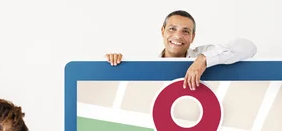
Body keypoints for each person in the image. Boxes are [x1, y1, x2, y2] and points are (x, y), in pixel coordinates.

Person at [105, 10, 257, 90]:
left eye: (185, 31)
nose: (178, 36)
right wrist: (114, 62)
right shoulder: (145, 65)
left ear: (192, 36)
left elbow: (248, 47)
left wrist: (203, 60)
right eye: (172, 29)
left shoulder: (203, 54)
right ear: (162, 31)